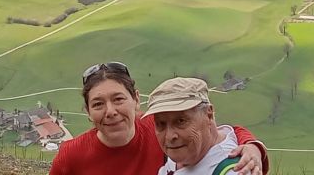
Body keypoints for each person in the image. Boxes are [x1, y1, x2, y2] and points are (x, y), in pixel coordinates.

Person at [49, 62, 268, 175]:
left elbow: (220, 133)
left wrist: (252, 146)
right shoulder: (72, 155)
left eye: (118, 99)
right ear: (87, 111)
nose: (110, 111)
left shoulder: (156, 127)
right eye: (98, 104)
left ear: (136, 100)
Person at [145, 77, 240, 175]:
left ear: (208, 114)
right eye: (161, 124)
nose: (169, 137)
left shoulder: (234, 171)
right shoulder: (187, 152)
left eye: (181, 121)